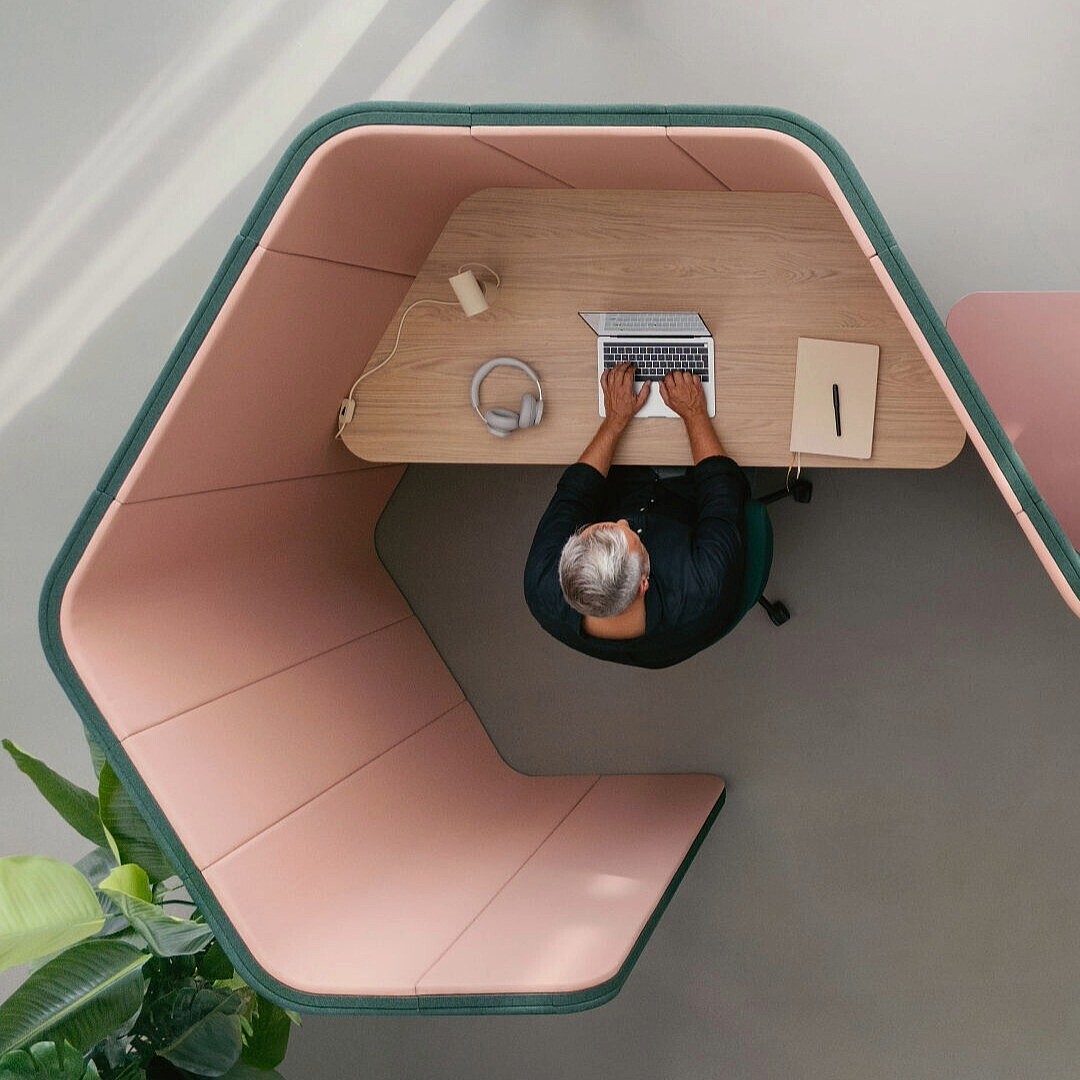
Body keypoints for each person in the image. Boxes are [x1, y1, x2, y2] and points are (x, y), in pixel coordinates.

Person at [523, 363, 750, 668]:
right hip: (690, 497)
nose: (623, 521)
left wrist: (616, 419)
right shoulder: (702, 589)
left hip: (624, 479)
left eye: (598, 528)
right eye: (629, 535)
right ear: (644, 583)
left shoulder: (543, 584)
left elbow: (574, 495)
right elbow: (722, 490)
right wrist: (694, 412)